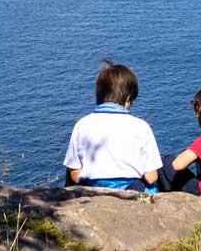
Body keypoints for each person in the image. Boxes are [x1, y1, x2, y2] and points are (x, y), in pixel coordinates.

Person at [63, 58, 162, 192]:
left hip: (93, 191)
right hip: (133, 190)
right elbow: (151, 177)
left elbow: (74, 174)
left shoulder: (82, 125)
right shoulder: (142, 127)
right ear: (128, 98)